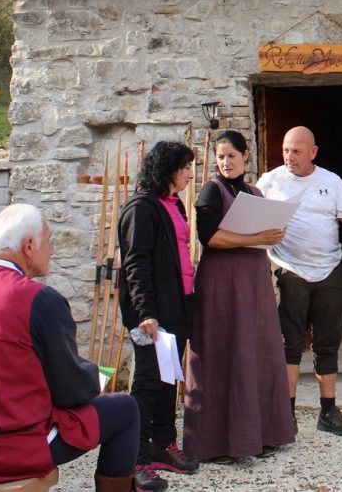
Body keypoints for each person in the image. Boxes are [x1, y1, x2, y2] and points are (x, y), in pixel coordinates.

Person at [0, 204, 139, 491]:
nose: (52, 251)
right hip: (13, 447)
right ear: (29, 245)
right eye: (49, 241)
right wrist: (95, 378)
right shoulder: (41, 299)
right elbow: (70, 390)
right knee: (126, 408)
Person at [256, 126, 342, 436]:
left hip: (329, 270)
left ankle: (328, 411)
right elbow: (255, 228)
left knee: (328, 343)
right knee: (291, 344)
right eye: (286, 150)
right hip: (289, 270)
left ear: (313, 152)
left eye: (297, 151)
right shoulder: (269, 182)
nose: (290, 157)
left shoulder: (331, 181)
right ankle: (286, 414)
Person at [183, 130, 295, 461]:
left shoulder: (254, 192)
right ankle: (217, 441)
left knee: (257, 351)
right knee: (222, 351)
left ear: (245, 155)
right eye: (220, 156)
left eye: (231, 155)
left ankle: (261, 435)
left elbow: (261, 235)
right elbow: (210, 238)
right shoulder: (210, 191)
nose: (225, 162)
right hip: (222, 283)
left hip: (254, 281)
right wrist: (256, 236)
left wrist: (273, 233)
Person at [118, 141, 200, 491]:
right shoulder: (142, 208)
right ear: (166, 169)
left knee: (170, 377)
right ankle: (133, 459)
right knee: (148, 382)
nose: (188, 174)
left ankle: (163, 444)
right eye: (183, 167)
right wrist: (145, 313)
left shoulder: (173, 204)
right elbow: (136, 263)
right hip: (152, 313)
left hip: (176, 306)